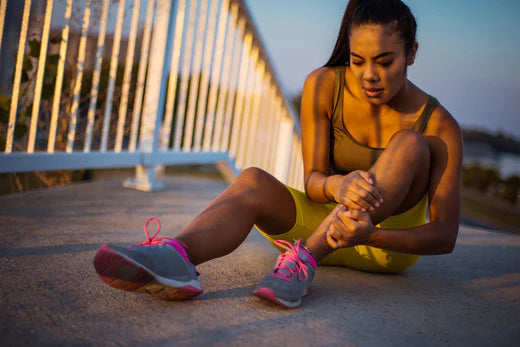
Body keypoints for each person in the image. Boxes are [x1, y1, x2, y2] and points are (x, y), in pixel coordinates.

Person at [94, 0, 462, 308]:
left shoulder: (440, 124)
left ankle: (305, 261)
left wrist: (369, 235)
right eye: (357, 61)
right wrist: (338, 185)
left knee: (410, 143)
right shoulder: (324, 84)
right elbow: (313, 181)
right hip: (315, 226)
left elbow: (444, 236)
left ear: (411, 53)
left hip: (384, 247)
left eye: (385, 62)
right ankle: (177, 257)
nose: (369, 75)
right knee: (253, 179)